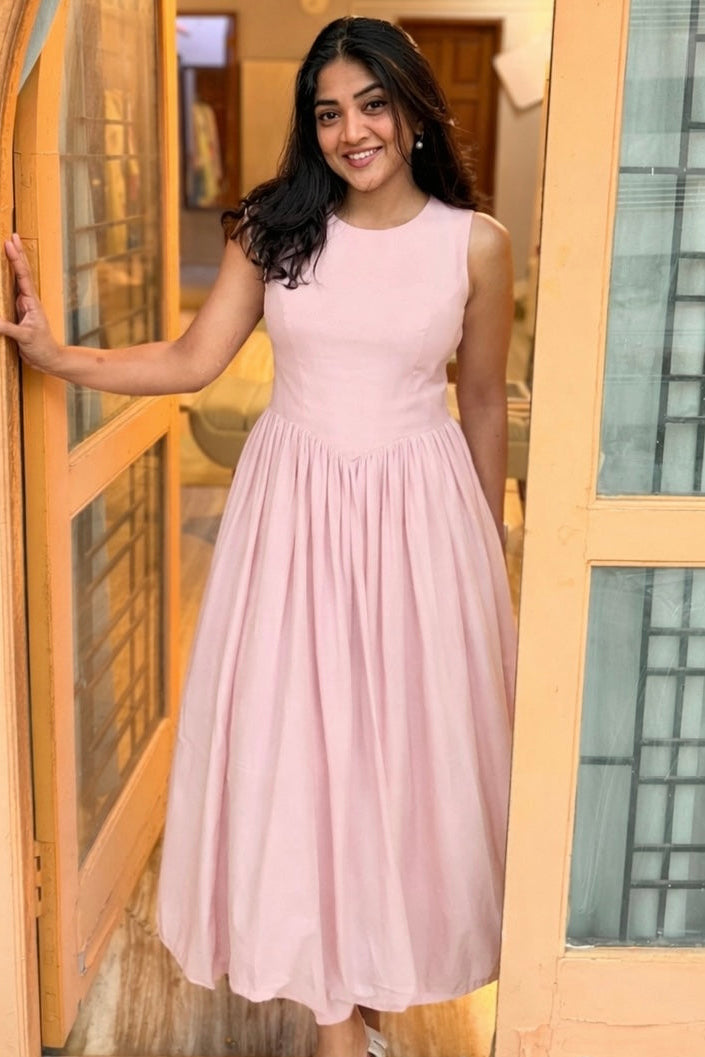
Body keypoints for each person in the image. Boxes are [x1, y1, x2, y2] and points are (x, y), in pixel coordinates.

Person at [1, 16, 515, 1057]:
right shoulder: (274, 233)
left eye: (372, 103)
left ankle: (375, 1003)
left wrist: (489, 551)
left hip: (420, 518)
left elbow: (484, 406)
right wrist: (59, 355)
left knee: (402, 760)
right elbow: (191, 361)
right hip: (295, 519)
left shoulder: (476, 244)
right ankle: (339, 1027)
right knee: (312, 754)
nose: (352, 130)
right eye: (329, 111)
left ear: (414, 110)